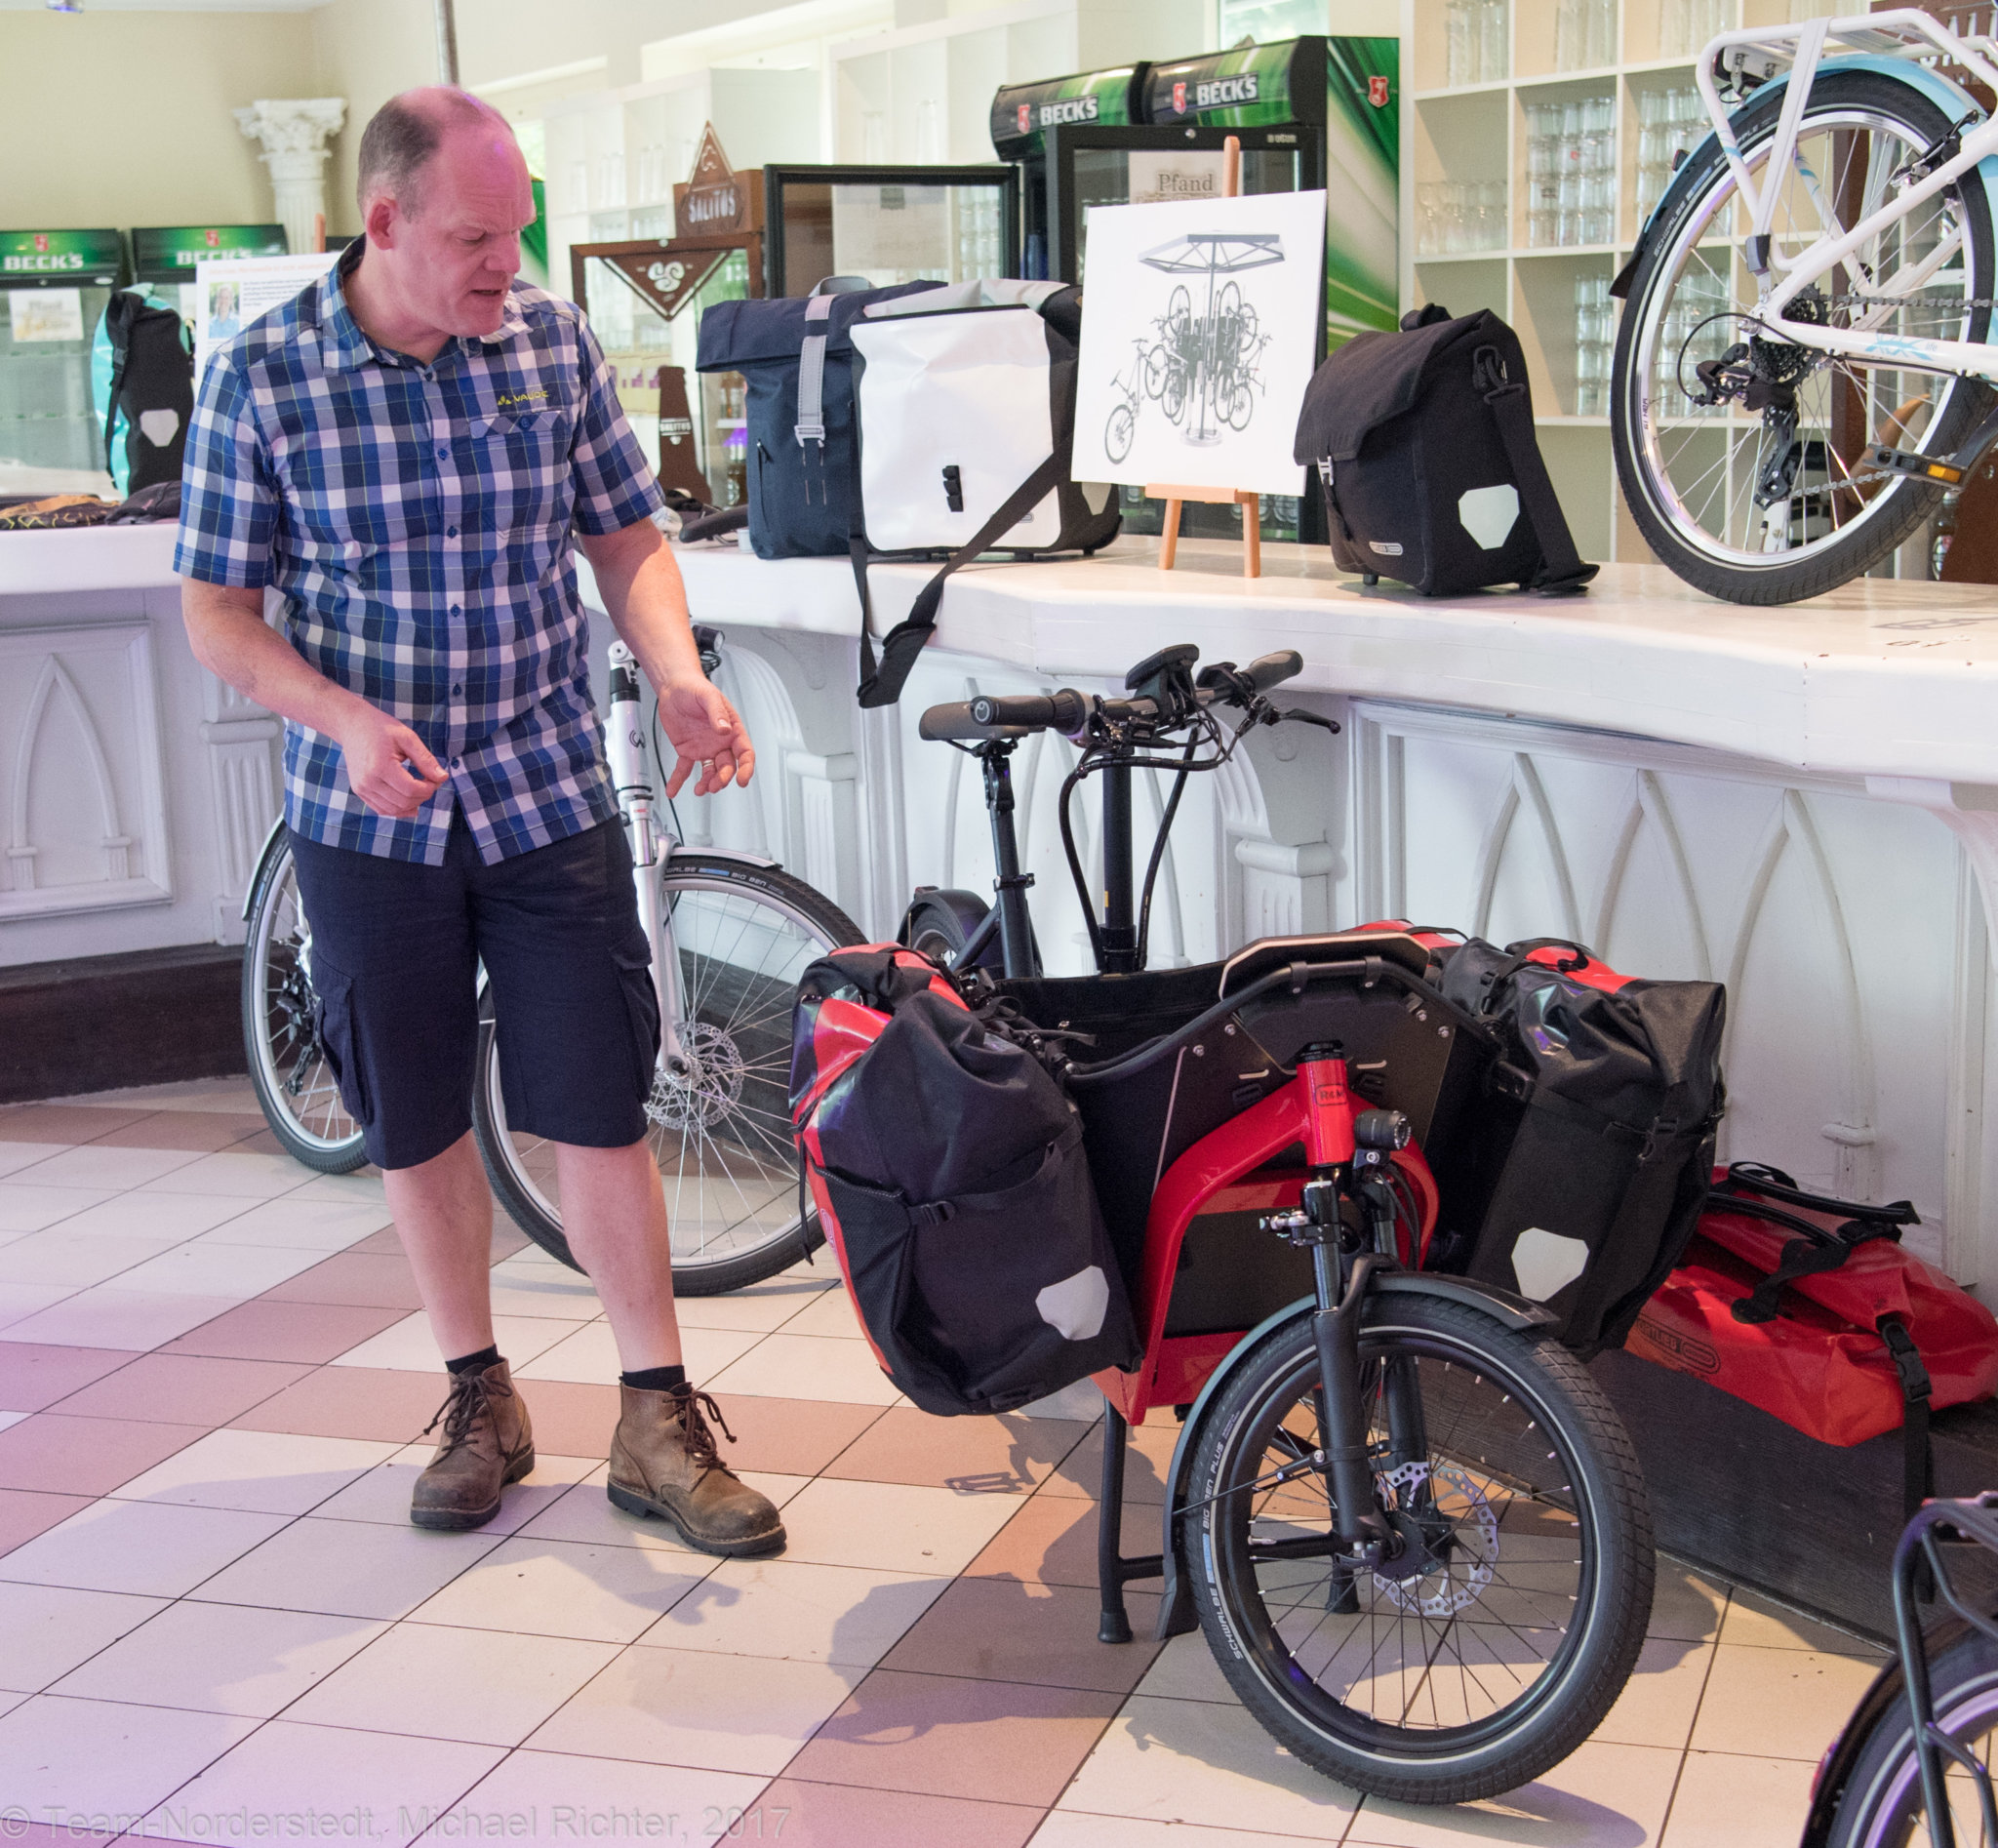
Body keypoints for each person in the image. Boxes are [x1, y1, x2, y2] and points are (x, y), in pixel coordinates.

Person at [175, 87, 782, 1556]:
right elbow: (217, 613)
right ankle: (478, 1397)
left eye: (516, 234)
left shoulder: (549, 345)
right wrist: (337, 717)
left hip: (543, 784)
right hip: (365, 808)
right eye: (475, 238)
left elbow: (623, 533)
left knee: (596, 1090)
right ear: (384, 223)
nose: (506, 265)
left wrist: (680, 673)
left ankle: (655, 1412)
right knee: (417, 1108)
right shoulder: (262, 377)